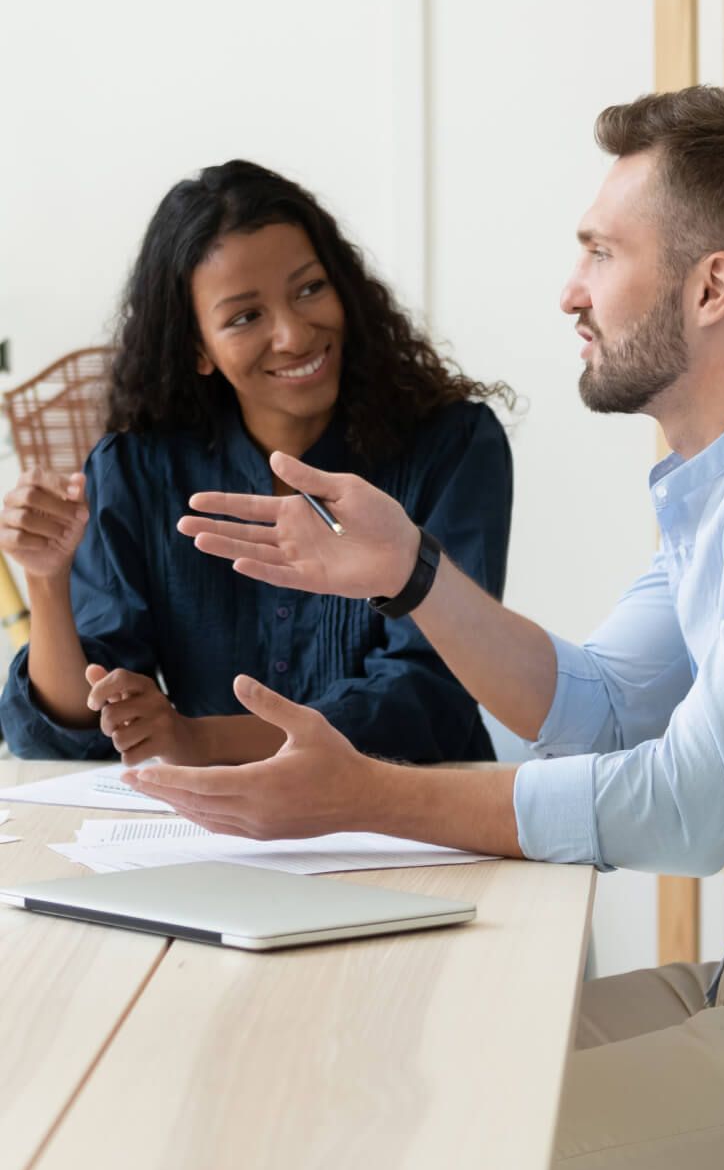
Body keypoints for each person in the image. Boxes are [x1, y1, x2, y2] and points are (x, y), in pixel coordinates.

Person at [127, 90, 724, 1170]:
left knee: (419, 1150)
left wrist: (363, 798)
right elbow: (597, 712)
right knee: (367, 1077)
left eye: (601, 252)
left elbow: (685, 808)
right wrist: (411, 576)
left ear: (709, 287)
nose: (570, 290)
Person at [0, 161, 513, 766]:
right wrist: (47, 579)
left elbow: (428, 699)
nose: (295, 334)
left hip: (422, 833)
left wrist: (198, 739)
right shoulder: (135, 469)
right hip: (217, 837)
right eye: (246, 317)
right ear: (198, 349)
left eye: (310, 288)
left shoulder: (452, 445)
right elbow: (69, 732)